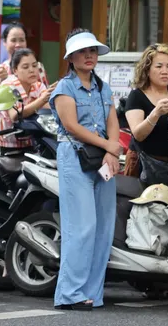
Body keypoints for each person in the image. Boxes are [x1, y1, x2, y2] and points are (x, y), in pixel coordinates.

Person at [51, 29, 119, 310]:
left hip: (103, 157)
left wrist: (111, 150)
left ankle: (92, 293)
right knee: (81, 227)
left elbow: (112, 119)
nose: (89, 55)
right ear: (71, 57)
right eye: (82, 51)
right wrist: (110, 147)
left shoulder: (104, 87)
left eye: (92, 51)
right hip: (75, 157)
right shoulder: (63, 88)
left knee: (103, 227)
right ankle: (70, 294)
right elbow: (72, 126)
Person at [123, 44, 168, 186]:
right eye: (159, 66)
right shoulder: (137, 96)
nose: (165, 71)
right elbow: (138, 134)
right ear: (147, 70)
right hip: (143, 163)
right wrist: (156, 113)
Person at [0, 48, 52, 151]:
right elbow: (15, 115)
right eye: (25, 67)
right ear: (15, 70)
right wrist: (41, 100)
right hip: (10, 147)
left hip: (35, 143)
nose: (31, 70)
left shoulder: (39, 86)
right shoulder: (7, 86)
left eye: (34, 65)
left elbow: (48, 110)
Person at [0, 23, 49, 89]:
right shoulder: (0, 69)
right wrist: (1, 79)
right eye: (13, 40)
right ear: (4, 42)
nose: (18, 45)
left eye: (22, 40)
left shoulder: (38, 66)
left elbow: (45, 93)